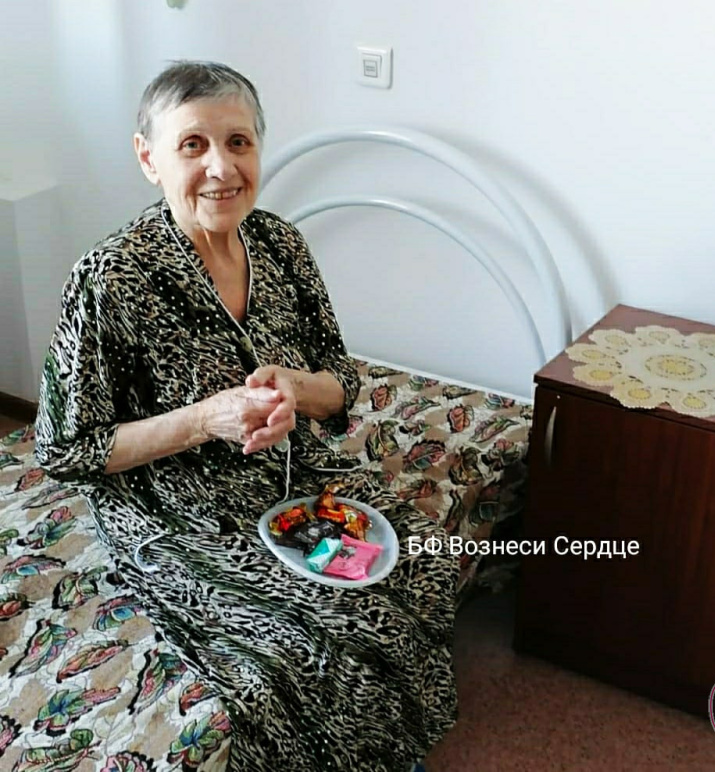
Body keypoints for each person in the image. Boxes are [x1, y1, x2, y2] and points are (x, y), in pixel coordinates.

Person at [35, 60, 456, 772]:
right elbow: (65, 450)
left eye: (239, 142)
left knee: (419, 561)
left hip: (295, 477)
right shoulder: (110, 279)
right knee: (297, 648)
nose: (221, 168)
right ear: (149, 158)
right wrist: (206, 419)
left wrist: (296, 388)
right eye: (192, 145)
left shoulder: (282, 245)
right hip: (174, 506)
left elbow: (341, 384)